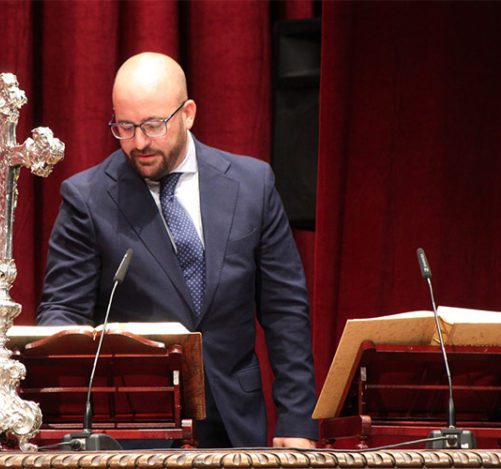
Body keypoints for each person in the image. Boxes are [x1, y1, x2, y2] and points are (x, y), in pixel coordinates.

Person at [37, 52, 318, 448]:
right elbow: (61, 311)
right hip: (136, 429)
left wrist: (297, 418)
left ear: (188, 113)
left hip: (235, 421)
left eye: (153, 125)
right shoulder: (87, 199)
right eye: (125, 127)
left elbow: (285, 309)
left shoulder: (253, 185)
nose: (139, 142)